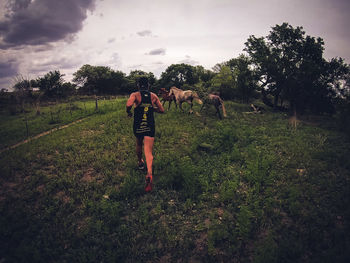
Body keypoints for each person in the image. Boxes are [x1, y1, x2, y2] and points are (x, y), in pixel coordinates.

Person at [126, 76, 165, 192]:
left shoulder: (135, 95)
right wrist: (152, 109)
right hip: (149, 125)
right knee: (148, 150)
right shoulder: (153, 96)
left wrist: (129, 112)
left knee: (139, 143)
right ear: (148, 85)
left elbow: (128, 104)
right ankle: (149, 173)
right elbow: (162, 110)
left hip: (138, 125)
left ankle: (140, 163)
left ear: (138, 85)